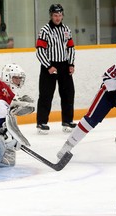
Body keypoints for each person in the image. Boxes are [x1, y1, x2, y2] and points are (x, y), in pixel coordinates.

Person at [35, 4, 76, 135]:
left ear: (62, 15)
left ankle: (67, 121)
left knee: (68, 93)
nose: (58, 18)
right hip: (49, 66)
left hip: (64, 65)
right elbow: (40, 50)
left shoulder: (66, 29)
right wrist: (48, 66)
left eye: (59, 15)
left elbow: (70, 47)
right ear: (51, 16)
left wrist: (71, 64)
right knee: (46, 95)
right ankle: (41, 123)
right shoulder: (45, 30)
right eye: (55, 15)